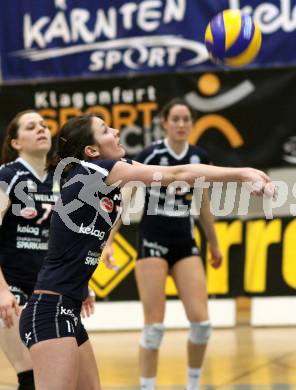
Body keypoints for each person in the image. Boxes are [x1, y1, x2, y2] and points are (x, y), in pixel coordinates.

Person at [19, 114, 273, 390]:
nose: (116, 131)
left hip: (67, 307)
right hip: (49, 311)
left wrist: (81, 288)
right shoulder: (95, 170)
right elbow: (177, 174)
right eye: (105, 129)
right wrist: (243, 173)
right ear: (91, 150)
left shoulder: (106, 176)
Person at [104, 98, 224, 390]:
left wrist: (214, 243)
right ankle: (147, 386)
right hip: (153, 239)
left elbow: (203, 203)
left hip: (185, 242)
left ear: (192, 123)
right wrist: (109, 241)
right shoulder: (152, 153)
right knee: (155, 327)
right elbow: (128, 199)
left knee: (202, 325)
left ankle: (193, 385)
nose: (182, 124)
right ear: (165, 122)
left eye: (187, 119)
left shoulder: (199, 156)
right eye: (176, 119)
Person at [0, 110, 56, 390]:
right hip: (12, 290)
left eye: (45, 126)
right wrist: (1, 290)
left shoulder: (61, 180)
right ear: (15, 142)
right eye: (31, 127)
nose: (41, 129)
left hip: (48, 288)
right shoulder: (7, 176)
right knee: (31, 378)